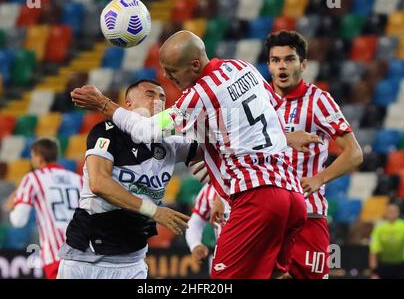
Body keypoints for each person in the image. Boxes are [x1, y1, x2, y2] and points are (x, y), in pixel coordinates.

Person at [71, 30, 323, 278]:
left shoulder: (200, 94)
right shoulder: (242, 67)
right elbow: (269, 113)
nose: (168, 78)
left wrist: (104, 104)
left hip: (257, 198)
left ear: (194, 65)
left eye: (172, 71)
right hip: (292, 197)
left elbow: (144, 130)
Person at [57, 79, 199, 279]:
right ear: (128, 105)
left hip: (133, 261)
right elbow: (99, 184)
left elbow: (218, 145)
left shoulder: (170, 142)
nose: (157, 100)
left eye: (162, 97)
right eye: (150, 94)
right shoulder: (107, 131)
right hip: (86, 257)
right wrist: (154, 211)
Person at [263, 30, 364, 279]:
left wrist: (319, 179)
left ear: (303, 64)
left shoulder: (318, 100)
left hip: (308, 214)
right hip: (265, 214)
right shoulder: (258, 101)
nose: (282, 66)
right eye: (276, 60)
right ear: (268, 65)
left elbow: (354, 153)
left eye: (289, 59)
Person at [6, 138, 83, 279]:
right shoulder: (78, 179)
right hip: (84, 252)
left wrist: (13, 207)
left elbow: (19, 221)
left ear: (38, 158)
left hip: (57, 254)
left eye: (32, 157)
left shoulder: (32, 178)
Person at [185, 182, 230, 264]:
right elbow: (195, 223)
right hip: (225, 256)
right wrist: (195, 244)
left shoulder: (254, 181)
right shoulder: (209, 189)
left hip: (255, 252)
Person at [369, 203, 404, 279]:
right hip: (384, 265)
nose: (392, 213)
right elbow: (373, 251)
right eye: (389, 211)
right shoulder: (379, 228)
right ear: (385, 213)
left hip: (402, 265)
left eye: (394, 211)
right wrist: (374, 273)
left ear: (398, 213)